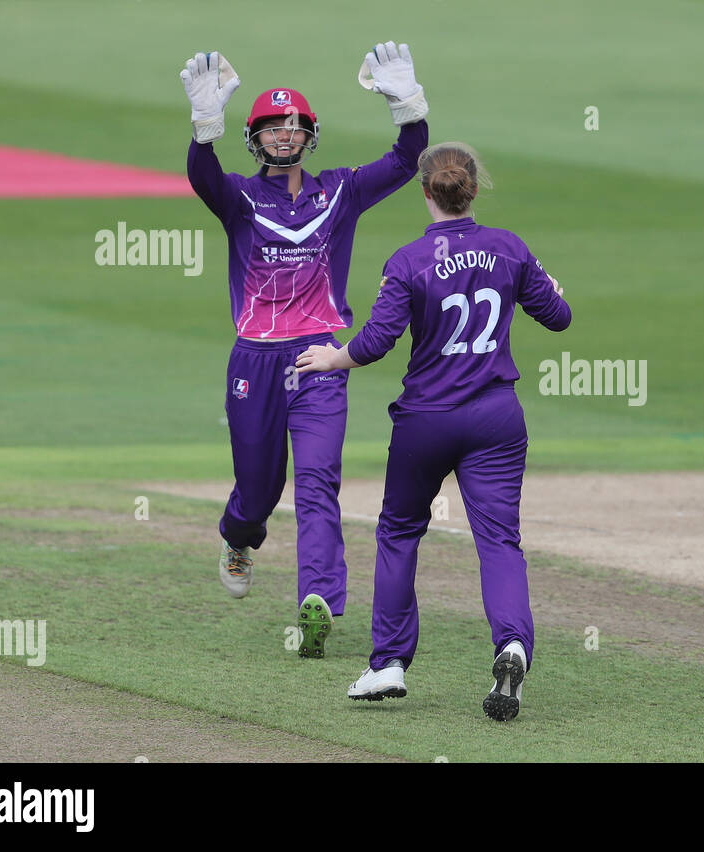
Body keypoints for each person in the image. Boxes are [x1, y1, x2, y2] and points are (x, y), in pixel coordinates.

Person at [295, 142, 571, 720]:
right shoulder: (510, 248)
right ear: (474, 189)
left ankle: (389, 663)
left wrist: (331, 358)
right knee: (499, 540)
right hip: (497, 417)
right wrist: (554, 292)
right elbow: (558, 316)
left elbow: (374, 343)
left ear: (426, 192)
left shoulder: (409, 260)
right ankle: (512, 644)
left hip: (427, 419)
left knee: (399, 532)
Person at [180, 44, 429, 655]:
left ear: (310, 135)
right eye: (272, 124)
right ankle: (239, 538)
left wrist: (409, 107)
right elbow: (201, 178)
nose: (285, 133)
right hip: (254, 361)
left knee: (318, 481)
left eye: (295, 125)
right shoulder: (239, 197)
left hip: (320, 359)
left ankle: (316, 599)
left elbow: (405, 162)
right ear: (256, 136)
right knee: (259, 491)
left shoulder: (339, 193)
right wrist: (202, 130)